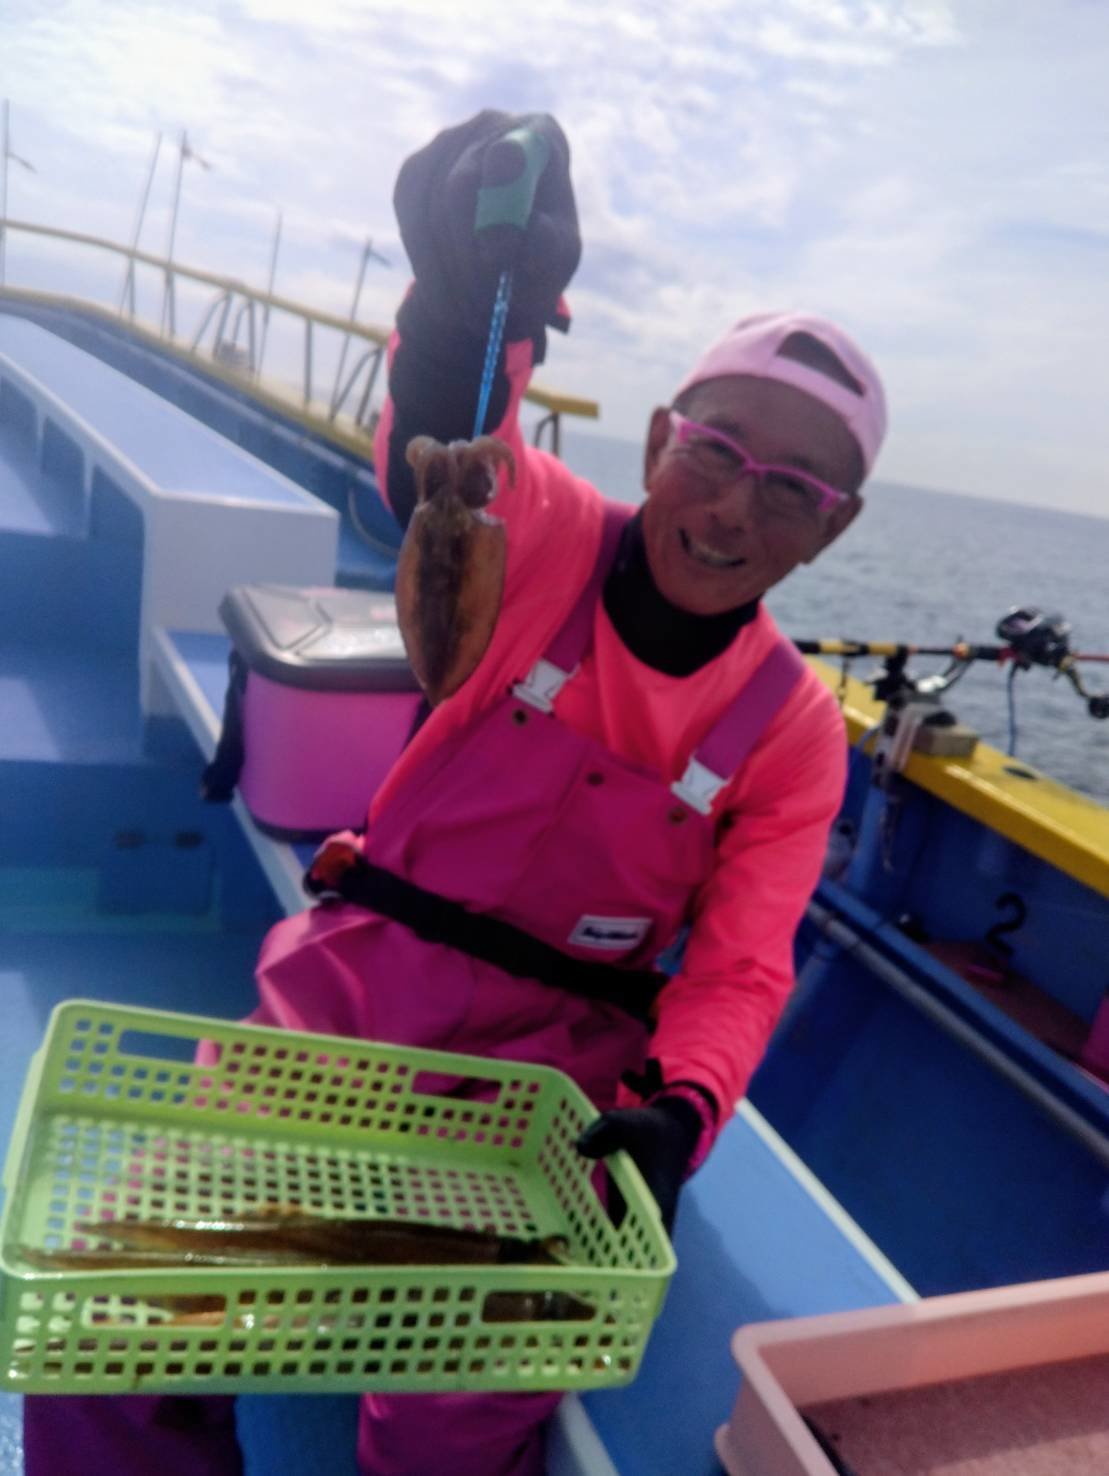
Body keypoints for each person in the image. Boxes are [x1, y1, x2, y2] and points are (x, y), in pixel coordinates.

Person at [23, 110, 886, 1476]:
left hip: (551, 1083)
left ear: (835, 528)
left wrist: (680, 1107)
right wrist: (467, 310)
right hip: (351, 1006)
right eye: (716, 453)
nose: (733, 509)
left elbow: (739, 966)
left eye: (792, 492)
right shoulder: (540, 530)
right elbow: (442, 450)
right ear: (657, 441)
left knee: (458, 1403)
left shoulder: (791, 732)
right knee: (111, 1315)